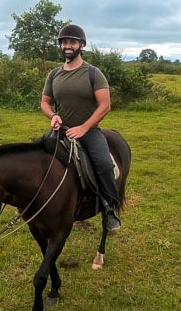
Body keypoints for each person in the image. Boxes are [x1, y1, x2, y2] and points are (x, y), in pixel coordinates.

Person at [40, 24, 122, 232]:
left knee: (104, 164)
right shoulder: (54, 75)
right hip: (61, 129)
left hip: (88, 131)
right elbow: (44, 102)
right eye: (64, 42)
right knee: (38, 159)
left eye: (72, 42)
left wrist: (84, 128)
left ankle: (109, 208)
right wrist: (53, 116)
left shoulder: (94, 74)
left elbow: (105, 105)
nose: (67, 46)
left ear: (81, 45)